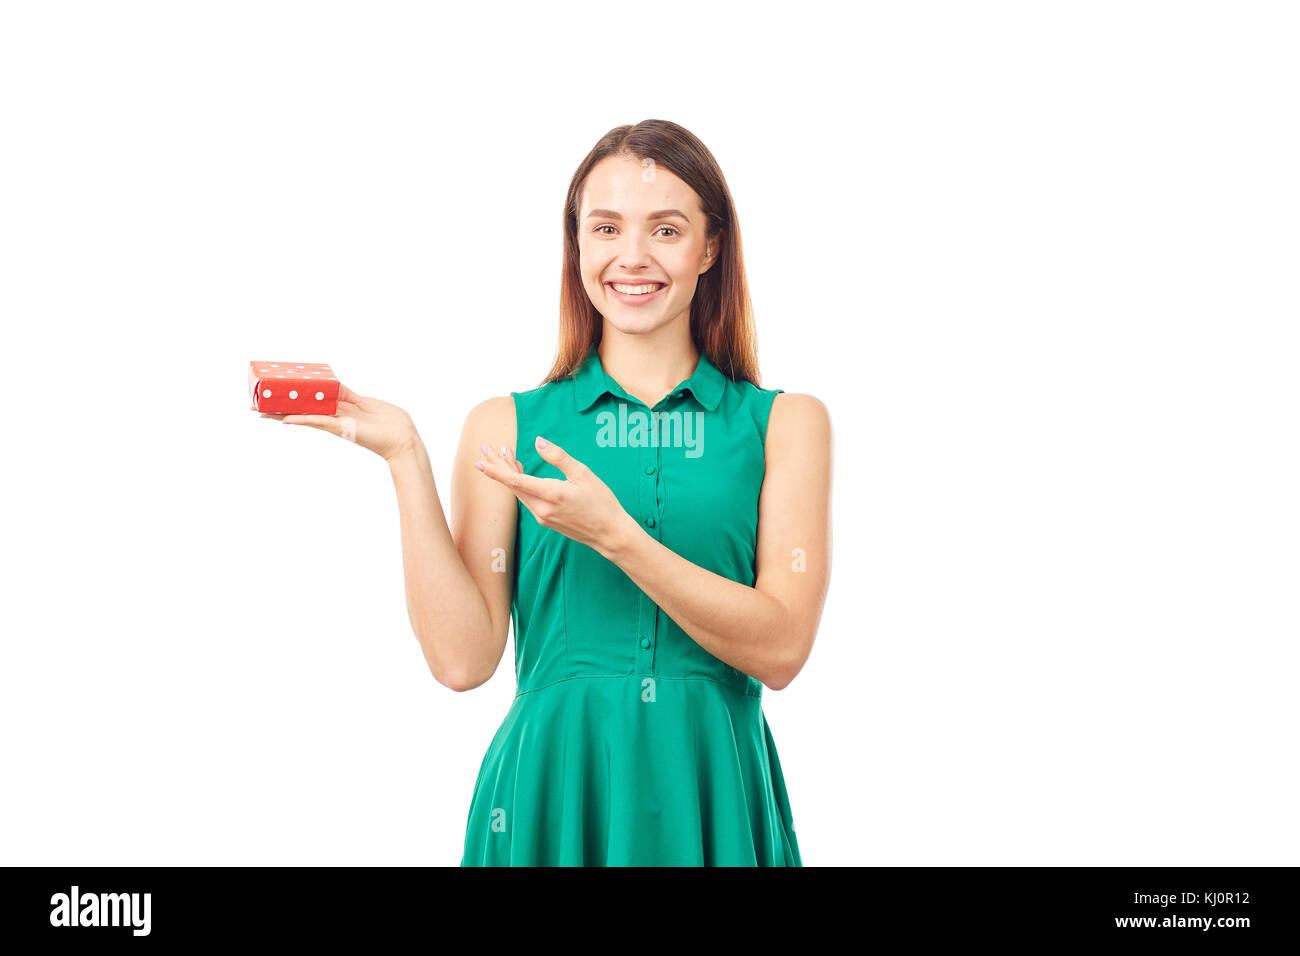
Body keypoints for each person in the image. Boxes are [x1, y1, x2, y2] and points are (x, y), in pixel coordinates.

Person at [262, 119, 832, 866]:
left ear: (710, 247)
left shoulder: (785, 424)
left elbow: (782, 648)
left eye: (666, 229)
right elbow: (463, 662)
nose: (632, 257)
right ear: (578, 245)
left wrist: (616, 535)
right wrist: (405, 458)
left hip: (712, 793)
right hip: (549, 800)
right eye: (605, 228)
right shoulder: (505, 424)